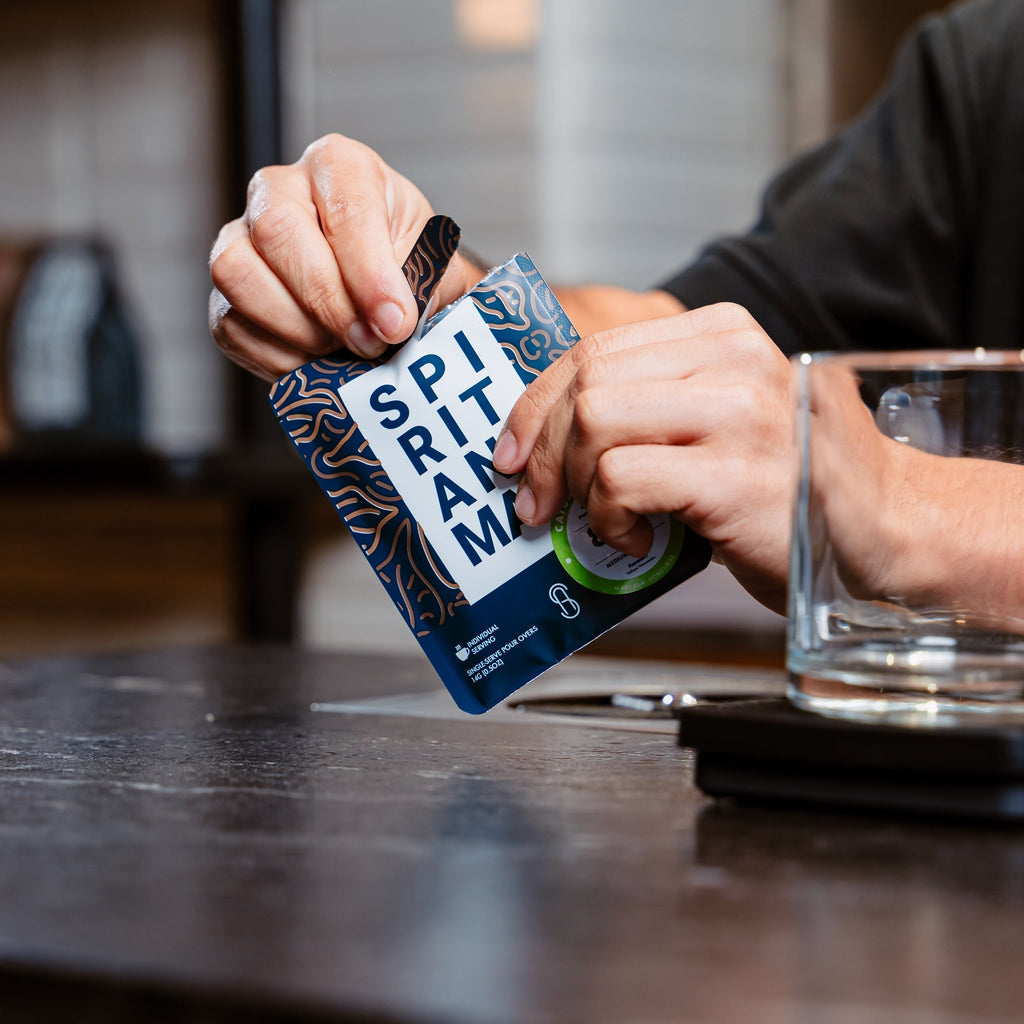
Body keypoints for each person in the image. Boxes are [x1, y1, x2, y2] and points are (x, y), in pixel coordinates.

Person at [209, 0, 1024, 620]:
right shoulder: (989, 71)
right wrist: (437, 304)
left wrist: (898, 504)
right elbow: (677, 338)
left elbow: (855, 486)